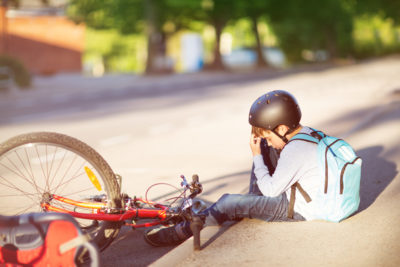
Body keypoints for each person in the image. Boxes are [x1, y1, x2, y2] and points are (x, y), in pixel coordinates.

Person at [144, 90, 320, 247]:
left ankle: (184, 230)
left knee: (228, 202)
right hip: (300, 194)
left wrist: (256, 156)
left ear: (281, 128)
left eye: (268, 136)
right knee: (265, 148)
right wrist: (263, 148)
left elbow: (272, 191)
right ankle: (252, 202)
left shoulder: (294, 152)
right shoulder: (308, 135)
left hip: (296, 208)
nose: (266, 140)